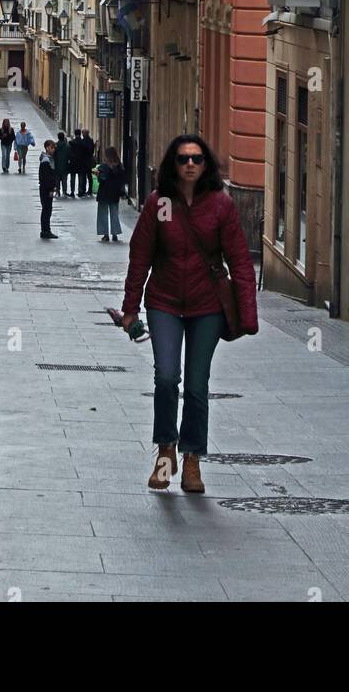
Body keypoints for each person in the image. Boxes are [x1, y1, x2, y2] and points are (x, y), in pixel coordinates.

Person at [120, 135, 258, 495]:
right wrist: (130, 308)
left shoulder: (220, 206)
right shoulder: (159, 203)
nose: (191, 164)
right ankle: (166, 453)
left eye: (197, 158)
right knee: (167, 378)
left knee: (197, 385)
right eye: (183, 159)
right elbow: (140, 257)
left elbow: (240, 259)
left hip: (207, 306)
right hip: (164, 301)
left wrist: (247, 311)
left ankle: (192, 458)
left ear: (206, 164)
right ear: (173, 164)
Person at [96, 146, 126, 242]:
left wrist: (98, 174)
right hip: (114, 193)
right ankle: (115, 233)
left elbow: (101, 179)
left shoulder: (103, 167)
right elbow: (122, 180)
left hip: (104, 192)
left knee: (102, 214)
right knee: (114, 213)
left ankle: (105, 234)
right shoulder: (119, 166)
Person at [38, 140, 59, 240]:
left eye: (54, 148)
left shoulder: (50, 159)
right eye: (52, 147)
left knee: (48, 209)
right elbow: (46, 177)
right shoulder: (46, 160)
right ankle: (45, 230)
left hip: (50, 188)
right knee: (46, 209)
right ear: (47, 147)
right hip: (47, 189)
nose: (53, 149)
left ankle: (46, 229)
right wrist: (52, 187)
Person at [68, 129, 86, 197]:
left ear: (75, 134)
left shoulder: (71, 142)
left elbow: (69, 152)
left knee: (72, 177)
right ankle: (80, 191)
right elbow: (85, 153)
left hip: (73, 162)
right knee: (80, 177)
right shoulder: (83, 143)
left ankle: (72, 192)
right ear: (80, 134)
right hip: (81, 162)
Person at [79, 129, 96, 197]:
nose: (82, 134)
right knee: (89, 176)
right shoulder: (91, 140)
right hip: (89, 161)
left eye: (83, 133)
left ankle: (84, 190)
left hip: (84, 161)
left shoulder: (83, 141)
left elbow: (81, 151)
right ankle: (89, 190)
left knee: (84, 176)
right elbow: (92, 151)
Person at [54, 131, 71, 197]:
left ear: (58, 138)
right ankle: (64, 192)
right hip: (65, 165)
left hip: (57, 165)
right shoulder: (67, 146)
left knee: (57, 179)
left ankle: (58, 191)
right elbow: (69, 155)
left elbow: (53, 155)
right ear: (63, 137)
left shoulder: (55, 145)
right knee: (64, 179)